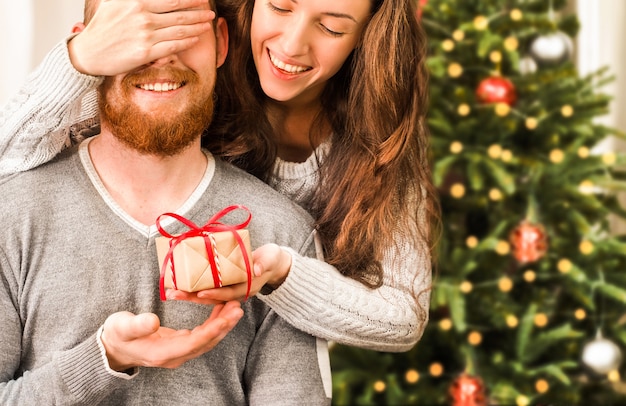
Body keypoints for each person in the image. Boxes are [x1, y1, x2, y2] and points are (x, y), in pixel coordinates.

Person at [0, 0, 439, 352]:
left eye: (332, 28)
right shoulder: (183, 79)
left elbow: (401, 317)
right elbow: (11, 158)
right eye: (280, 8)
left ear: (365, 38)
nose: (292, 45)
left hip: (269, 345)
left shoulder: (381, 141)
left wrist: (281, 273)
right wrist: (82, 56)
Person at [0, 0, 331, 404]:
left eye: (183, 26)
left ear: (220, 43)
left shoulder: (283, 237)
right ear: (90, 48)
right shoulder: (12, 214)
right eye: (137, 30)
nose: (162, 52)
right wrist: (103, 358)